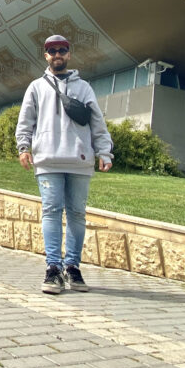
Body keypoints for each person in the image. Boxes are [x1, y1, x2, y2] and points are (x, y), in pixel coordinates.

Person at [15, 34, 113, 294]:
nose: (57, 54)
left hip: (79, 161)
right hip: (48, 160)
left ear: (69, 54)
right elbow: (25, 121)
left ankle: (72, 267)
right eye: (52, 51)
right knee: (51, 212)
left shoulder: (84, 87)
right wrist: (23, 147)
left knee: (77, 214)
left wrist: (104, 152)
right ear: (45, 56)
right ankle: (53, 268)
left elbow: (97, 122)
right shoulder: (36, 87)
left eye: (62, 50)